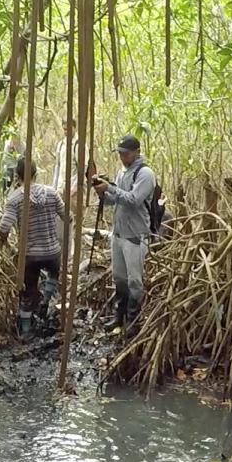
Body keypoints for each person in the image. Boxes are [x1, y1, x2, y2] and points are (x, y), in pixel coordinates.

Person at [91, 134, 157, 331]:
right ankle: (119, 317)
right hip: (118, 233)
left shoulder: (145, 174)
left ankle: (134, 320)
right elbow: (116, 200)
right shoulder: (122, 172)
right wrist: (103, 192)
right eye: (119, 154)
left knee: (135, 280)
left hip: (135, 235)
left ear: (136, 152)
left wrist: (111, 188)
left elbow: (134, 199)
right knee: (119, 277)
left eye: (125, 154)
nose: (122, 157)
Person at [0, 156, 64, 335]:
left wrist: (2, 240)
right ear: (36, 173)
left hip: (30, 255)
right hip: (52, 252)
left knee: (27, 291)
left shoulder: (15, 198)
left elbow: (5, 226)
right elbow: (67, 216)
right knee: (54, 273)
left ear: (17, 176)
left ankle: (26, 331)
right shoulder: (51, 193)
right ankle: (45, 301)